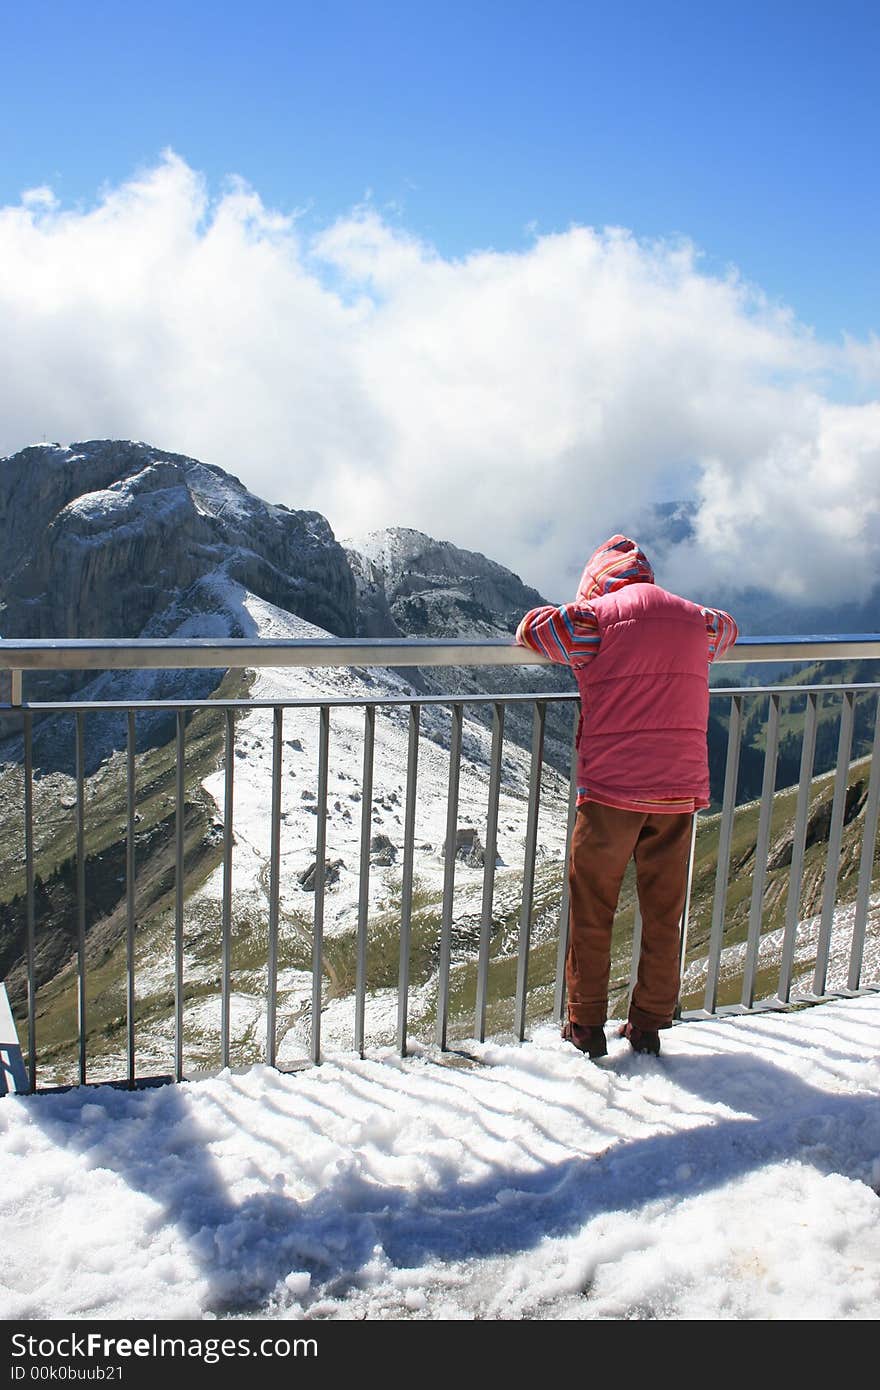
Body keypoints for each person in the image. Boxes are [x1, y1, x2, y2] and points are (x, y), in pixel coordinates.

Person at [515, 535, 738, 1059]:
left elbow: (534, 629)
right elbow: (727, 628)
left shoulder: (593, 622)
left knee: (594, 907)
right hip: (679, 792)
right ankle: (649, 1025)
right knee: (665, 912)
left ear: (598, 583)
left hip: (613, 791)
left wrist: (586, 604)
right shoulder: (696, 620)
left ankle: (585, 1024)